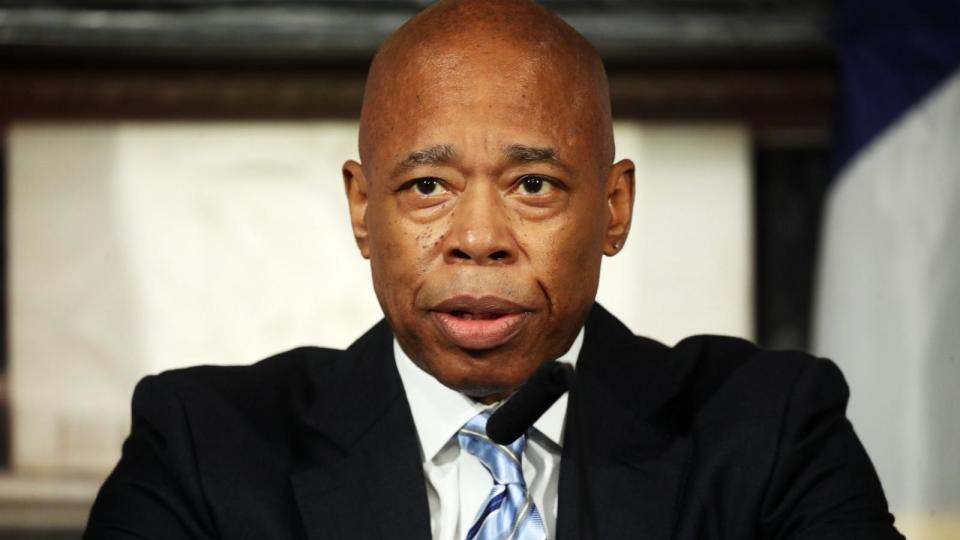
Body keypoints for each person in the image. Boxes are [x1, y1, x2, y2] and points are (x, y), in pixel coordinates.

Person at [84, 1, 904, 538]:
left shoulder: (769, 434)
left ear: (613, 208)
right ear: (364, 211)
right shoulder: (203, 447)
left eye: (534, 185)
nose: (479, 238)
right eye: (428, 187)